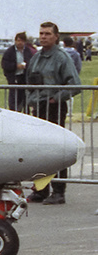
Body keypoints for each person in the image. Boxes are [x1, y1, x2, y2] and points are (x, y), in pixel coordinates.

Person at [25, 21, 80, 205]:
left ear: (56, 37)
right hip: (38, 107)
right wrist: (30, 99)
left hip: (54, 108)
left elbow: (74, 84)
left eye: (47, 34)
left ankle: (58, 190)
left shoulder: (62, 58)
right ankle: (40, 190)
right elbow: (29, 82)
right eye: (41, 33)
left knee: (56, 150)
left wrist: (56, 99)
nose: (43, 37)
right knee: (39, 150)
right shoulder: (36, 57)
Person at [1, 32, 31, 112]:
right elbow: (5, 64)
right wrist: (16, 66)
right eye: (18, 40)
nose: (19, 42)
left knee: (25, 98)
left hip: (24, 78)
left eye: (21, 41)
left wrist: (26, 66)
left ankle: (25, 113)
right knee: (14, 98)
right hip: (14, 78)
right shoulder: (9, 52)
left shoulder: (28, 51)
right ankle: (13, 112)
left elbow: (31, 63)